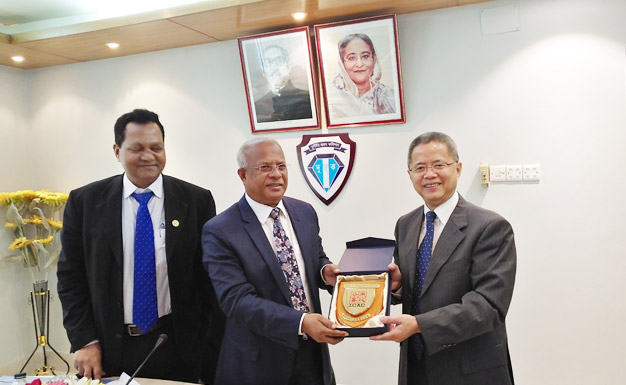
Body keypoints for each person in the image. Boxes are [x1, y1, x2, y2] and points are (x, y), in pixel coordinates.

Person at [57, 109, 224, 383]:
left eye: (156, 148)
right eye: (137, 148)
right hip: (109, 347)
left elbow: (208, 279)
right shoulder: (85, 202)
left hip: (177, 342)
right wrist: (84, 340)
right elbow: (70, 279)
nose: (148, 156)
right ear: (117, 151)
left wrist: (207, 341)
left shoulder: (196, 201)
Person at [371, 132, 516, 384]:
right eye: (420, 167)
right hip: (415, 367)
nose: (429, 174)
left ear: (458, 168)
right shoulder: (405, 224)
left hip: (470, 370)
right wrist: (397, 287)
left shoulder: (490, 226)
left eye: (439, 165)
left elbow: (488, 306)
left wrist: (419, 325)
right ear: (410, 175)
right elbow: (420, 289)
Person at [202, 137, 348, 385]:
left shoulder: (304, 212)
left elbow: (314, 258)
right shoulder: (221, 230)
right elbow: (236, 301)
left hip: (313, 356)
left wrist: (325, 272)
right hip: (258, 363)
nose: (276, 174)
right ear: (242, 175)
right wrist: (301, 322)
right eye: (265, 167)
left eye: (281, 166)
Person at [329, 33, 396, 118]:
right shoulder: (333, 98)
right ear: (342, 63)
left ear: (374, 59)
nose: (359, 64)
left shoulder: (388, 96)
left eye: (365, 56)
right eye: (352, 58)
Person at [254, 44, 313, 122]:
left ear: (288, 66)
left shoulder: (306, 97)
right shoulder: (257, 106)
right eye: (268, 62)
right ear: (263, 72)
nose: (275, 67)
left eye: (279, 60)